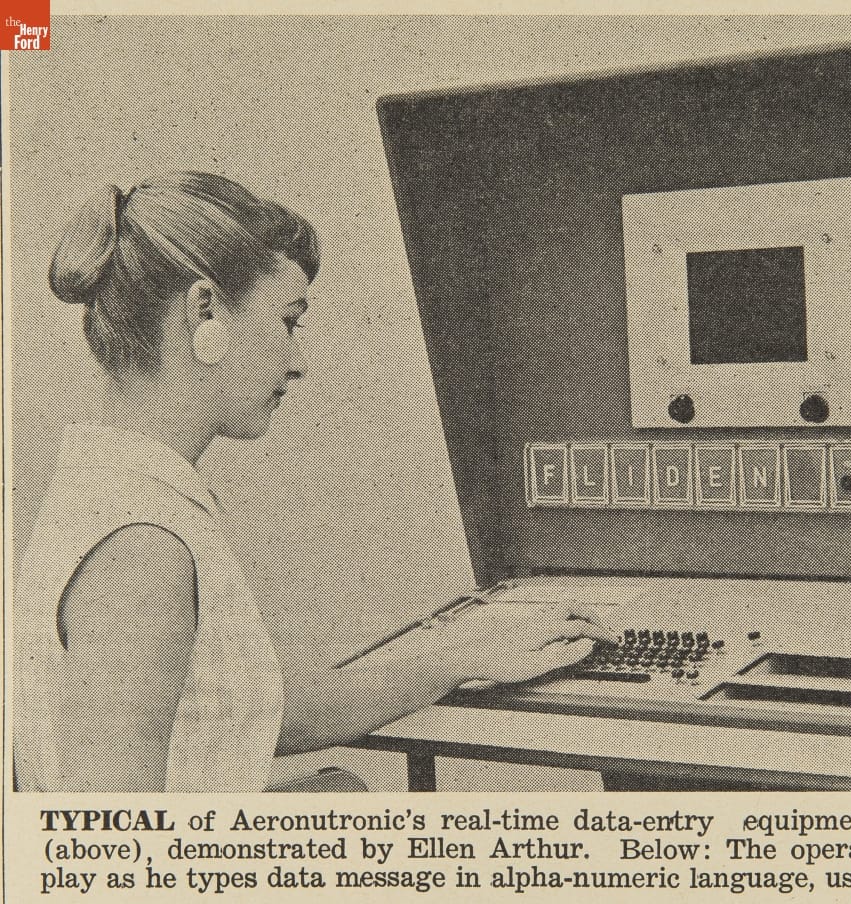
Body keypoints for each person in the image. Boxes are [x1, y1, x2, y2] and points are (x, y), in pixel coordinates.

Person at [13, 172, 618, 792]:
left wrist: (461, 650)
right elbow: (111, 857)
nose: (297, 360)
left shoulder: (113, 486)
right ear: (205, 312)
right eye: (288, 320)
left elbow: (233, 715)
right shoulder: (142, 548)